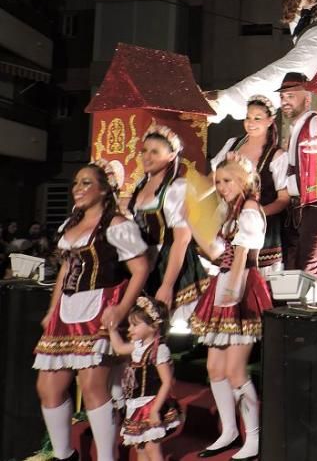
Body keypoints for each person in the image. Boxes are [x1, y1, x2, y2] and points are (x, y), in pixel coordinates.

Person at [34, 161, 149, 461]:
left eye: (86, 183)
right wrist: (52, 309)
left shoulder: (117, 225)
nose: (77, 189)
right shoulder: (70, 226)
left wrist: (122, 309)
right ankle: (64, 455)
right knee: (48, 386)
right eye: (75, 183)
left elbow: (140, 269)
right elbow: (65, 270)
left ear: (104, 189)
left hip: (100, 305)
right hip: (67, 309)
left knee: (92, 385)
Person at [189, 153, 273, 460]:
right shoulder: (230, 210)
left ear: (243, 181)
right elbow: (218, 251)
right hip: (223, 282)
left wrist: (234, 291)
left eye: (227, 181)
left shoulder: (249, 209)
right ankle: (229, 430)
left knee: (236, 370)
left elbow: (240, 256)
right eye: (219, 181)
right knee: (214, 367)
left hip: (242, 286)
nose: (221, 186)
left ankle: (253, 437)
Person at [128, 125, 210, 325]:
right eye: (144, 151)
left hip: (172, 264)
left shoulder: (176, 188)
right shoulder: (139, 186)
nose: (147, 156)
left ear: (172, 156)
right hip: (146, 265)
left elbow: (182, 240)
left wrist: (167, 284)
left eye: (155, 152)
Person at [211, 95, 289, 276]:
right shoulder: (233, 144)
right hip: (228, 223)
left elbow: (283, 199)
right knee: (225, 272)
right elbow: (214, 178)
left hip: (261, 227)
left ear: (270, 121)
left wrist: (253, 213)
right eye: (248, 117)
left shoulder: (276, 155)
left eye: (257, 118)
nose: (250, 122)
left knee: (254, 277)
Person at [278, 72, 317, 286]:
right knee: (298, 265)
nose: (285, 101)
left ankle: (308, 312)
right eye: (283, 97)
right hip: (301, 206)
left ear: (307, 98)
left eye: (291, 96)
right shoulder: (296, 128)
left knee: (307, 266)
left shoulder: (315, 122)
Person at [108, 296, 182, 460]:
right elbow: (120, 348)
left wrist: (155, 410)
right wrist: (112, 331)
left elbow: (167, 382)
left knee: (152, 448)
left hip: (150, 403)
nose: (130, 329)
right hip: (136, 403)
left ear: (154, 326)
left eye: (135, 325)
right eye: (130, 325)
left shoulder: (159, 350)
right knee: (140, 448)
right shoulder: (138, 347)